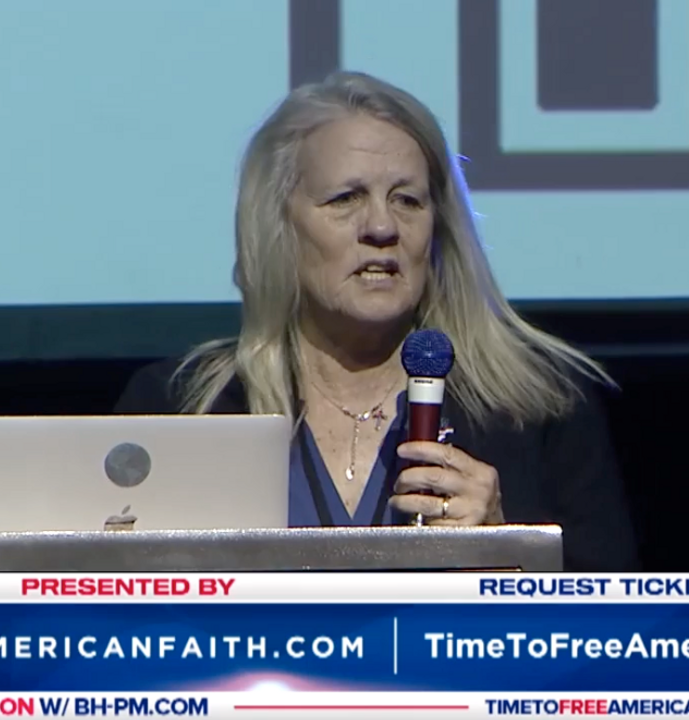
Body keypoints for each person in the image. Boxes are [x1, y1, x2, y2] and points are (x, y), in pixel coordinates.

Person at [114, 71, 638, 571]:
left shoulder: (541, 408)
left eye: (407, 200)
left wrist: (506, 553)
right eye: (346, 199)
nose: (383, 227)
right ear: (279, 227)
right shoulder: (181, 408)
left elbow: (614, 624)